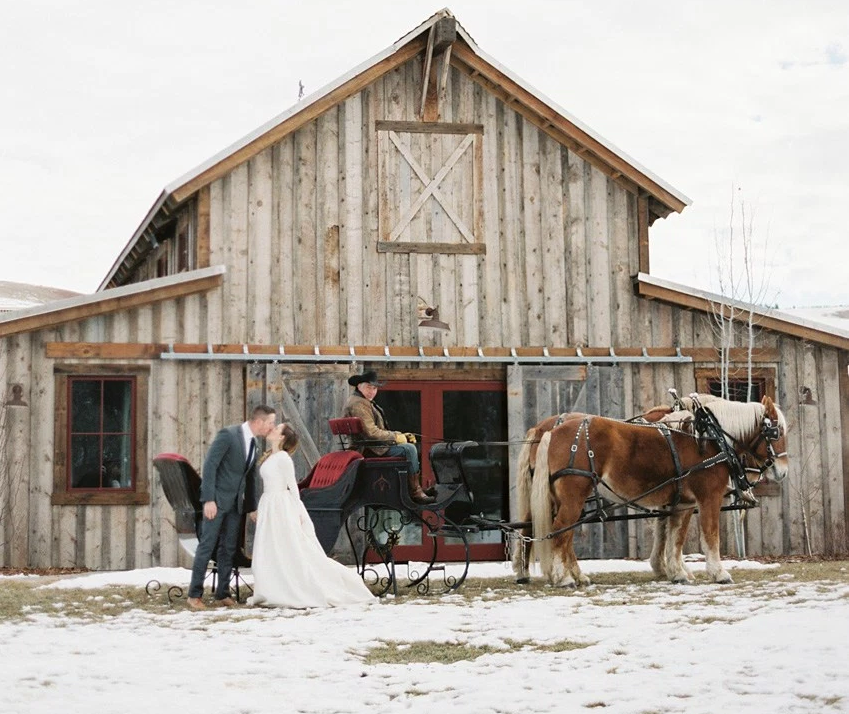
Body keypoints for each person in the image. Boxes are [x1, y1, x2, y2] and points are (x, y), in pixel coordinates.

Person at [248, 424, 375, 609]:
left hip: (280, 505)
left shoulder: (283, 458)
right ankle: (271, 585)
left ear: (282, 438)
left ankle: (295, 586)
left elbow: (292, 486)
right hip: (269, 502)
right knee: (269, 544)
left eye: (277, 429)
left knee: (285, 545)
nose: (272, 430)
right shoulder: (271, 456)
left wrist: (298, 511)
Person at [186, 404, 277, 610]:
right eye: (270, 423)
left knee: (228, 548)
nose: (272, 427)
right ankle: (194, 595)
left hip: (236, 505)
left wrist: (251, 506)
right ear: (259, 421)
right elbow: (210, 465)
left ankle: (223, 593)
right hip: (217, 502)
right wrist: (208, 499)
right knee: (207, 545)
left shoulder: (253, 442)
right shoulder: (228, 435)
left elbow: (250, 476)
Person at [342, 370, 435, 504]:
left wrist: (400, 435)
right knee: (409, 449)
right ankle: (415, 491)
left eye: (375, 388)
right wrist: (395, 437)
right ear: (359, 386)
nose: (372, 391)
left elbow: (376, 431)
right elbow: (371, 432)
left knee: (407, 446)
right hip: (369, 449)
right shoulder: (359, 404)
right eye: (369, 387)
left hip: (371, 446)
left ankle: (413, 488)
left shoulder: (361, 401)